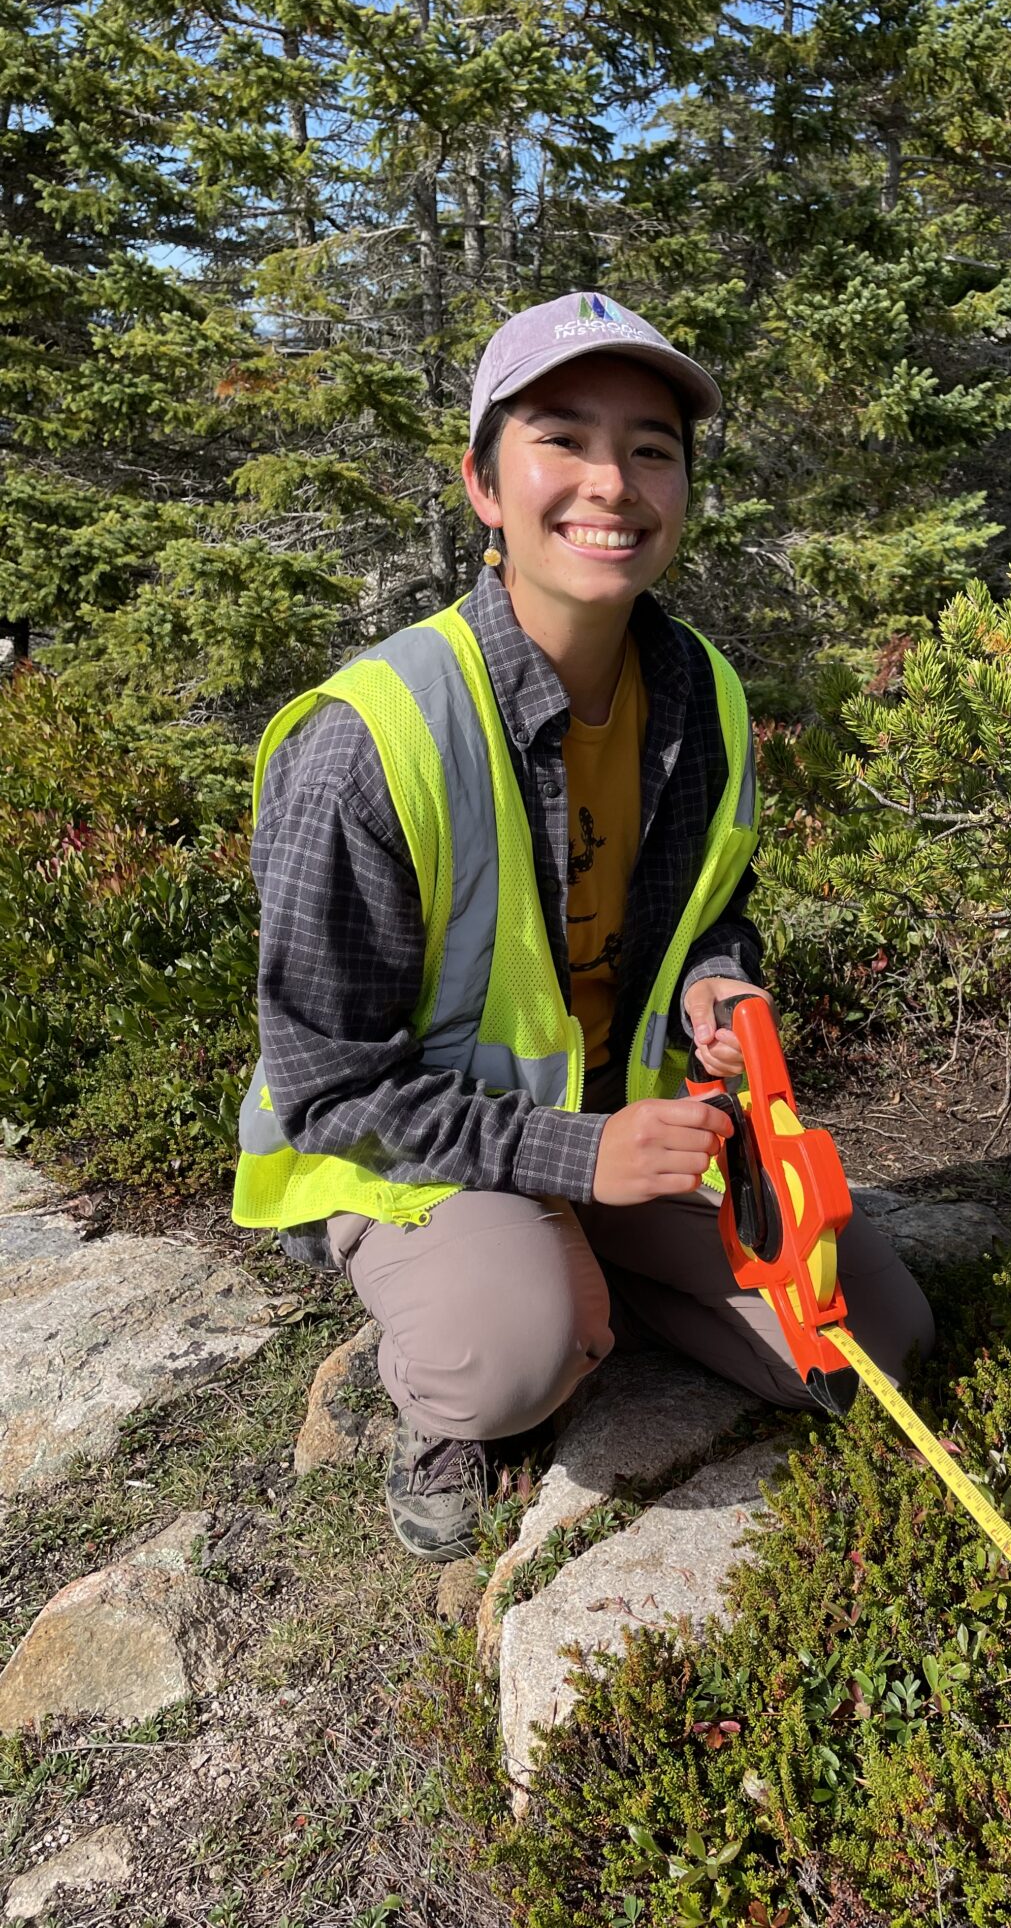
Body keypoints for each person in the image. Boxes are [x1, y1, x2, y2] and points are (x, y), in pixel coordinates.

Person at [230, 292, 935, 1560]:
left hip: (630, 1129)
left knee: (868, 1339)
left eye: (652, 446)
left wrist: (718, 991)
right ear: (483, 484)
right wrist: (573, 1162)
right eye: (563, 436)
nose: (611, 480)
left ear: (682, 489)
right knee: (513, 1357)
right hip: (423, 1149)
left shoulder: (700, 693)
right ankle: (456, 1373)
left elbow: (711, 917)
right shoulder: (370, 737)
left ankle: (588, 1281)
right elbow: (326, 1084)